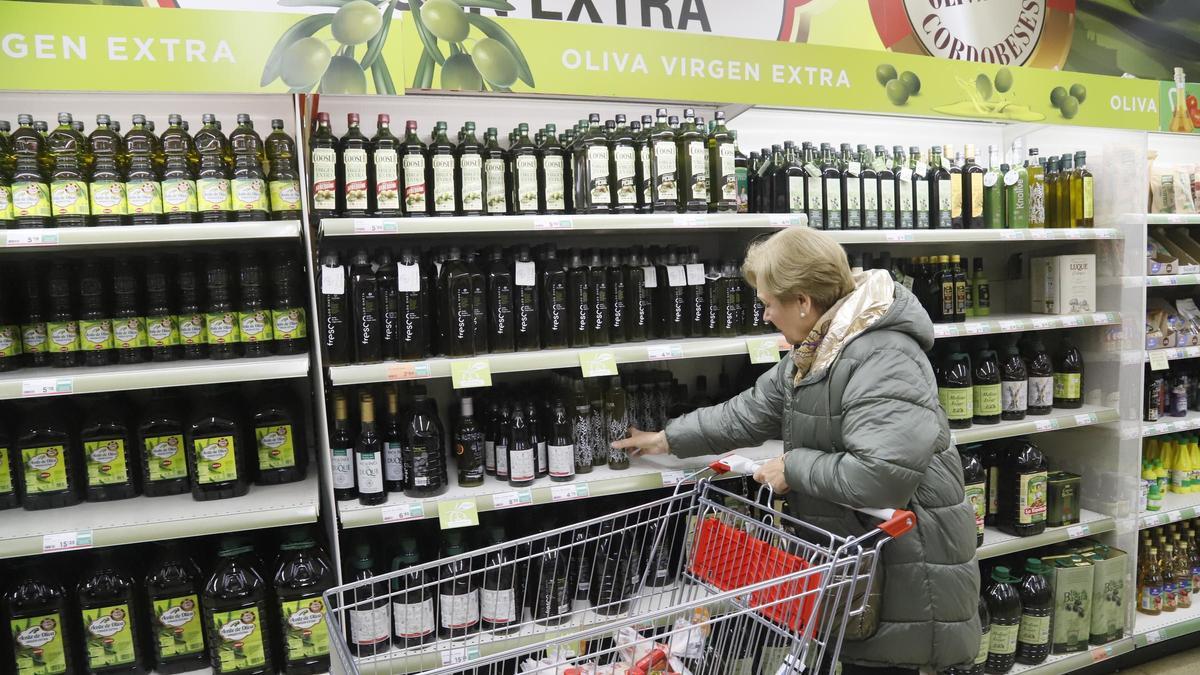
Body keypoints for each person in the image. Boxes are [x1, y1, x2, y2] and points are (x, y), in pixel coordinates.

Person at [612, 227, 980, 673]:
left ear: (803, 301)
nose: (765, 315)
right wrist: (666, 439)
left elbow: (881, 477)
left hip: (908, 570)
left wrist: (793, 466)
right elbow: (749, 410)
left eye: (768, 302)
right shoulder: (821, 347)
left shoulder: (884, 356)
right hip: (856, 561)